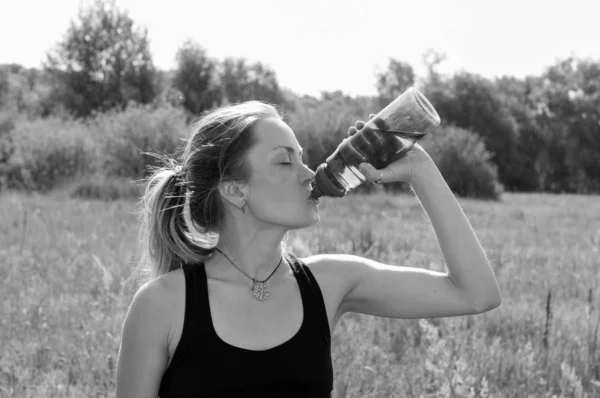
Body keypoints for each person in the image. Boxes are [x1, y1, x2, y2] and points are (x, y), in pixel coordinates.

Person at [116, 101, 502, 397]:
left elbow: (475, 293)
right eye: (285, 161)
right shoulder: (162, 305)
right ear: (236, 190)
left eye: (302, 157)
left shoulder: (330, 282)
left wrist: (420, 169)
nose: (309, 173)